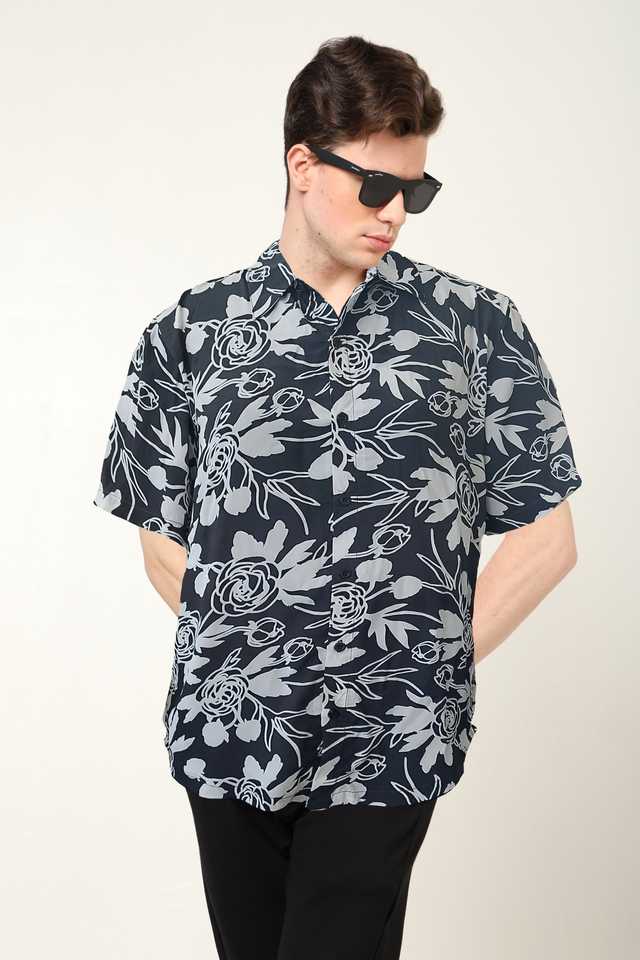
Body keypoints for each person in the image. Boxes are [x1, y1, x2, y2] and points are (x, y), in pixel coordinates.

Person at [92, 34, 583, 960]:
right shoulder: (190, 333)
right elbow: (160, 537)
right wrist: (247, 650)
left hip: (392, 730)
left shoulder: (475, 328)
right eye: (376, 185)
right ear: (302, 166)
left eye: (415, 191)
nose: (394, 211)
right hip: (230, 727)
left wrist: (427, 665)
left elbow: (548, 537)